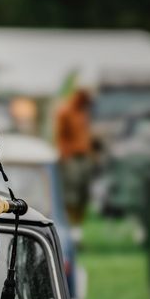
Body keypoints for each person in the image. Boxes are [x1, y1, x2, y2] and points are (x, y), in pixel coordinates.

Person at [54, 88, 94, 229]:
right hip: (71, 157)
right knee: (71, 195)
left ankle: (78, 228)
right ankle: (69, 227)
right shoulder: (65, 111)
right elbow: (60, 136)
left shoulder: (84, 112)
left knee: (84, 194)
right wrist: (64, 156)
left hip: (84, 157)